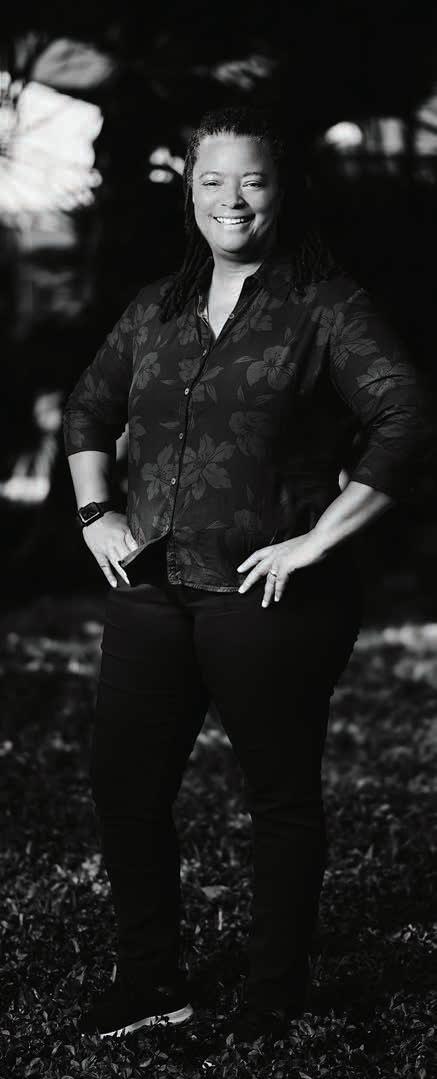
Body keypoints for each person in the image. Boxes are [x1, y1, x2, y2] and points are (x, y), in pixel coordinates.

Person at [63, 105, 429, 1043]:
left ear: (283, 190)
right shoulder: (157, 305)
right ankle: (151, 980)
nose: (232, 199)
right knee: (125, 784)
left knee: (277, 795)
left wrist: (316, 541)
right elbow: (89, 407)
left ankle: (273, 995)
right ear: (189, 192)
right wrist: (98, 511)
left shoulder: (326, 303)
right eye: (213, 180)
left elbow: (405, 417)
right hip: (151, 585)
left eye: (252, 180)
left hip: (269, 596)